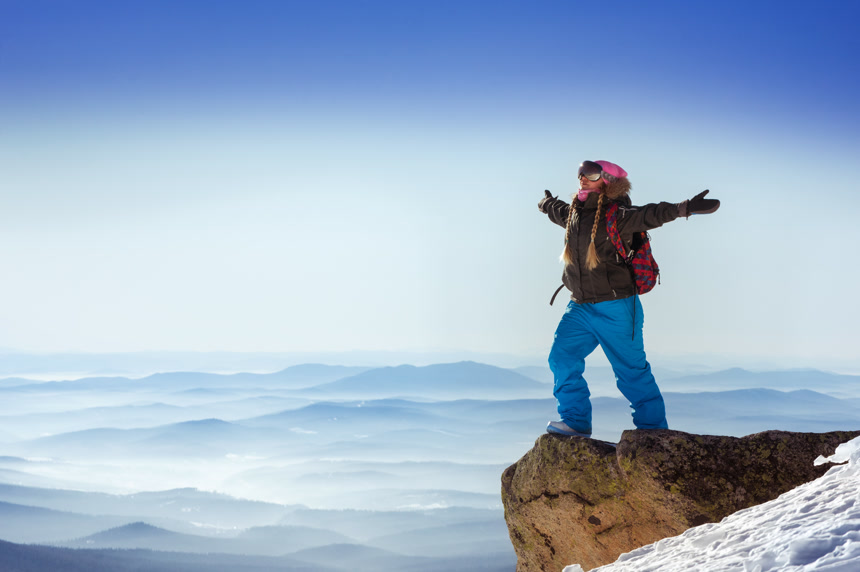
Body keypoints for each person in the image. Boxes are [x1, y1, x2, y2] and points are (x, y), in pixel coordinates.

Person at [537, 160, 719, 437]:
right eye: (581, 173)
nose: (584, 178)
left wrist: (685, 208)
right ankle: (575, 421)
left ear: (607, 180)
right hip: (579, 308)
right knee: (561, 359)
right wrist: (546, 203)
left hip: (617, 308)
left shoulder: (620, 215)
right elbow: (558, 211)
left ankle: (653, 433)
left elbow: (652, 214)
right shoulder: (575, 213)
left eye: (592, 174)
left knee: (631, 372)